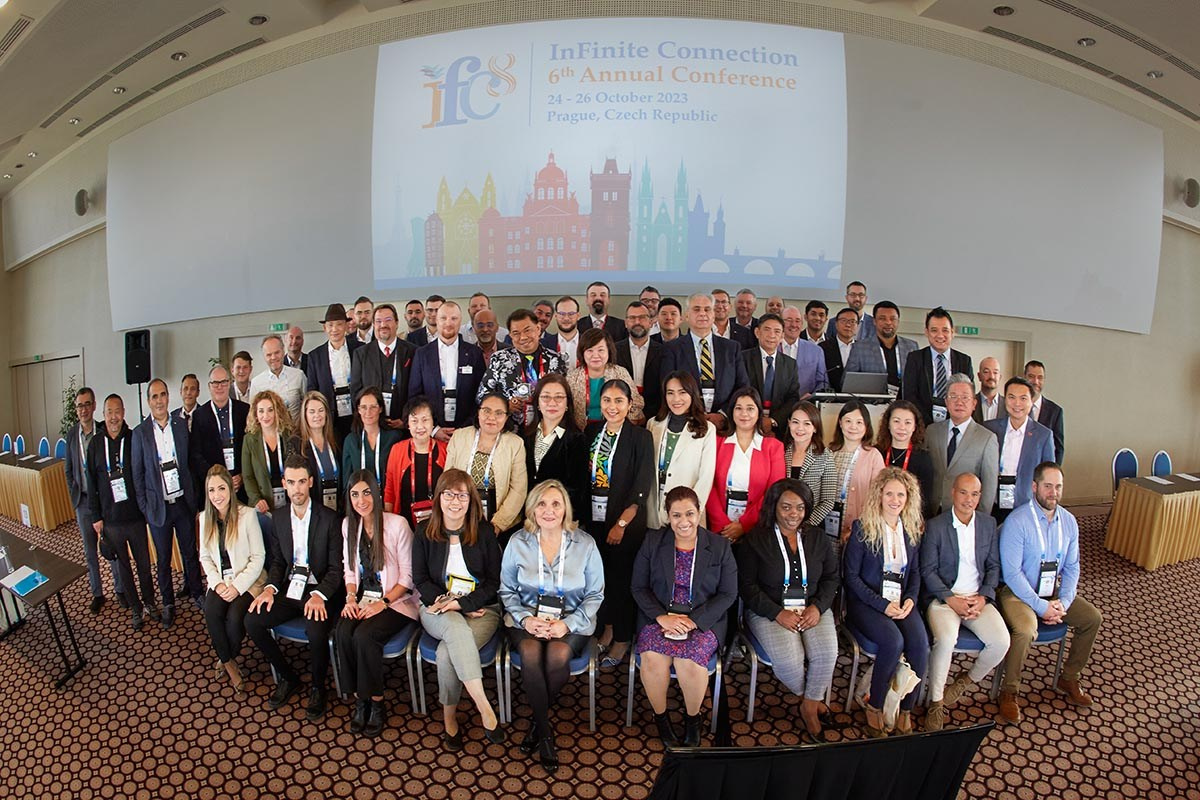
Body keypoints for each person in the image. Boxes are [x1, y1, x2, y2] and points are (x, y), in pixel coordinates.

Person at [499, 480, 604, 769]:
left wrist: (567, 625)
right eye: (542, 504)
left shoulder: (585, 544)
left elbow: (596, 594)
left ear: (565, 509)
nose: (548, 510)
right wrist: (526, 619)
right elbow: (506, 590)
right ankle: (546, 735)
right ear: (532, 509)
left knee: (557, 655)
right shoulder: (517, 542)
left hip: (572, 619)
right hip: (526, 618)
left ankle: (536, 723)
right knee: (532, 654)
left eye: (556, 503)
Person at [996, 463, 1101, 724]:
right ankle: (1009, 692)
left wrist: (1063, 603)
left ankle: (1069, 678)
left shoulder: (1069, 522)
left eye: (1058, 487)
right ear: (1034, 487)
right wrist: (1041, 607)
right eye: (1047, 486)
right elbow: (1011, 574)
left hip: (1052, 592)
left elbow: (1073, 567)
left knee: (1092, 619)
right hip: (1018, 593)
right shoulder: (1018, 521)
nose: (1053, 492)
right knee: (1026, 629)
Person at [632, 485, 737, 746]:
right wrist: (661, 617)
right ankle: (662, 719)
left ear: (699, 512)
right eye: (676, 515)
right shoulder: (653, 542)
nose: (684, 521)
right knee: (654, 661)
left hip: (702, 621)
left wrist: (695, 621)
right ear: (668, 516)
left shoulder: (720, 546)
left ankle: (693, 720)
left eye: (689, 513)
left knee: (688, 663)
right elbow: (638, 587)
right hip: (659, 617)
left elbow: (728, 594)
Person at [736, 480, 839, 742]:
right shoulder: (755, 540)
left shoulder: (818, 538)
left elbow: (831, 578)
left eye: (800, 508)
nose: (793, 514)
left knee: (827, 652)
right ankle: (812, 701)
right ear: (774, 507)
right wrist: (777, 613)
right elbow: (747, 586)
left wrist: (818, 607)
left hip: (813, 607)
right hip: (769, 610)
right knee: (790, 661)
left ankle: (808, 706)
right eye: (786, 507)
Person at [245, 454, 345, 720]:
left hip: (323, 590)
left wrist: (319, 594)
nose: (297, 489)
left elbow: (337, 570)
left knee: (315, 629)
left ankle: (317, 687)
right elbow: (278, 562)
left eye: (302, 482)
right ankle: (288, 677)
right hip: (292, 588)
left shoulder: (330, 518)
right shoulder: (278, 519)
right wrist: (269, 589)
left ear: (310, 482)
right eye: (291, 482)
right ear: (284, 484)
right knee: (252, 620)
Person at [411, 470, 506, 749]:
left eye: (462, 495)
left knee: (446, 652)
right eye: (449, 494)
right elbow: (420, 580)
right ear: (438, 498)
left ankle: (449, 717)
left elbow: (494, 582)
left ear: (471, 499)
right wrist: (448, 603)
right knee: (453, 626)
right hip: (436, 607)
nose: (455, 501)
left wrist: (464, 605)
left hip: (482, 610)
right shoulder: (423, 532)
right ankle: (484, 706)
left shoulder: (484, 531)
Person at [920, 473, 1009, 731]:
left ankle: (966, 680)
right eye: (963, 493)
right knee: (946, 640)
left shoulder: (988, 524)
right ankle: (936, 701)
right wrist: (951, 599)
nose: (968, 499)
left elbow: (993, 567)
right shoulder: (936, 525)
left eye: (974, 494)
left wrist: (983, 596)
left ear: (980, 497)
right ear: (953, 493)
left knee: (1001, 642)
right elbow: (928, 571)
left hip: (977, 599)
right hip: (944, 599)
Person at [844, 468, 929, 736]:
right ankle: (875, 705)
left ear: (908, 498)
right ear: (879, 495)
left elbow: (914, 573)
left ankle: (905, 709)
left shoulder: (912, 529)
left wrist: (911, 601)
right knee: (894, 642)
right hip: (866, 603)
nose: (895, 500)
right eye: (889, 493)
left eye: (900, 495)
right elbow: (852, 578)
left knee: (921, 645)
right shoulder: (862, 527)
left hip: (900, 601)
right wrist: (882, 605)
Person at [337, 470, 420, 737]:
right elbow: (350, 571)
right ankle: (360, 698)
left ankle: (375, 703)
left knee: (364, 636)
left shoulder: (397, 524)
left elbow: (408, 578)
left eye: (366, 492)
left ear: (376, 492)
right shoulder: (349, 526)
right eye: (354, 494)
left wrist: (382, 603)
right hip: (365, 599)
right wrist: (350, 598)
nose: (361, 500)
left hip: (398, 602)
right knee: (342, 630)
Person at [585, 379, 656, 669]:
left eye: (618, 401)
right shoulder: (592, 431)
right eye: (607, 400)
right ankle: (608, 628)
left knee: (621, 581)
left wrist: (622, 522)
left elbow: (642, 485)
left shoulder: (640, 437)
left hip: (625, 523)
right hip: (594, 518)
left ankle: (624, 637)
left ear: (629, 405)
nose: (612, 407)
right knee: (599, 580)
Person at [132, 378, 205, 627]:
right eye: (154, 396)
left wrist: (194, 500)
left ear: (168, 397)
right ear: (148, 401)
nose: (160, 400)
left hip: (182, 503)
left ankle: (197, 592)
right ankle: (168, 603)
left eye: (163, 395)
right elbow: (137, 475)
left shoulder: (181, 425)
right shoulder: (140, 433)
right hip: (158, 508)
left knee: (189, 552)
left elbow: (190, 464)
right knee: (163, 559)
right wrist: (145, 508)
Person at [87, 393, 158, 629]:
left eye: (117, 411)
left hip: (136, 516)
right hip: (111, 519)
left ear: (123, 412)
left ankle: (150, 602)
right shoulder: (96, 444)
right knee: (124, 568)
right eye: (109, 412)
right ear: (103, 414)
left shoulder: (134, 437)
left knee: (144, 565)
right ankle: (136, 609)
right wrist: (96, 516)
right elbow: (91, 483)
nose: (114, 417)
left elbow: (145, 472)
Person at [198, 465, 266, 698]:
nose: (217, 495)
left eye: (221, 488)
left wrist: (237, 587)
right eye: (212, 490)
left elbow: (259, 558)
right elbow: (205, 557)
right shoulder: (203, 519)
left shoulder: (247, 515)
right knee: (211, 610)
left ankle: (225, 654)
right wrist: (217, 584)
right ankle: (229, 663)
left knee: (236, 618)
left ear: (230, 489)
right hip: (220, 581)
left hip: (248, 580)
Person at [65, 386, 122, 613]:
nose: (84, 409)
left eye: (87, 404)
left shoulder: (103, 431)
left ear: (94, 406)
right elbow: (68, 470)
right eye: (80, 405)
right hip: (84, 503)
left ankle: (120, 589)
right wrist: (75, 495)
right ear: (76, 409)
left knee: (111, 547)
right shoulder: (71, 435)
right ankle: (97, 593)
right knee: (90, 552)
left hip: (105, 502)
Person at [705, 387, 786, 542]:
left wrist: (744, 525)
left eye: (750, 408)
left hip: (757, 528)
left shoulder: (773, 447)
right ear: (731, 412)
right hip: (720, 528)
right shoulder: (716, 443)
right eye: (738, 408)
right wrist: (722, 524)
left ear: (758, 413)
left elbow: (774, 492)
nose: (744, 414)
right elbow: (708, 485)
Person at [446, 392, 528, 537]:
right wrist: (455, 515)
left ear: (506, 417)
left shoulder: (515, 444)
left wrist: (498, 524)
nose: (492, 418)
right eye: (486, 411)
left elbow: (518, 489)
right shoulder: (459, 436)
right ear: (478, 412)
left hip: (499, 519)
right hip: (460, 513)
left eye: (499, 413)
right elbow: (447, 480)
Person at [661, 292, 750, 423]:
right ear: (686, 316)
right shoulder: (672, 349)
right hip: (686, 421)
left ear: (713, 315)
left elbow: (742, 386)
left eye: (707, 309)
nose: (702, 313)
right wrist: (694, 415)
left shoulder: (731, 348)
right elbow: (666, 388)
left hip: (724, 423)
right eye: (696, 309)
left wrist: (723, 414)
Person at [408, 300, 486, 442]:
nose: (448, 323)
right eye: (443, 318)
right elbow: (415, 396)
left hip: (467, 432)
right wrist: (434, 429)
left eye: (454, 318)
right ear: (436, 320)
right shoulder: (422, 354)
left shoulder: (474, 353)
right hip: (432, 433)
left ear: (460, 321)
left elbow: (481, 395)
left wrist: (466, 428)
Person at [476, 309, 568, 429]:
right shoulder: (499, 359)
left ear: (538, 329)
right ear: (510, 335)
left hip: (548, 428)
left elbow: (566, 396)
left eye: (527, 330)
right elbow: (482, 396)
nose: (523, 337)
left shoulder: (556, 360)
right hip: (510, 430)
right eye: (516, 333)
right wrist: (504, 405)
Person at [647, 372, 717, 530]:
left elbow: (705, 477)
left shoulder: (707, 429)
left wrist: (688, 512)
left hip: (687, 517)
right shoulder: (653, 424)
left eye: (682, 392)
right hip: (654, 511)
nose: (676, 399)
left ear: (692, 393)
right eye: (670, 393)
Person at [984, 378, 1055, 521]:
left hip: (1026, 505)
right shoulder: (989, 429)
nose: (1017, 404)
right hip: (992, 503)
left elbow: (1048, 476)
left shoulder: (1043, 435)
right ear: (1005, 400)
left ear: (1031, 401)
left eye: (1023, 398)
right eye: (1011, 397)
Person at [927, 375, 999, 515]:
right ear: (946, 403)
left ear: (974, 404)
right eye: (953, 397)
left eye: (965, 397)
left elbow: (989, 486)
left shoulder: (987, 438)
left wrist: (979, 519)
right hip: (932, 512)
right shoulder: (931, 432)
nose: (959, 402)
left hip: (965, 515)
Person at [523, 373, 588, 514]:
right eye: (545, 397)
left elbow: (577, 489)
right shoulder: (524, 437)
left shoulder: (577, 439)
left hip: (557, 517)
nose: (552, 403)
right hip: (525, 516)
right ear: (538, 403)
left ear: (567, 404)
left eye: (559, 397)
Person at [350, 303, 417, 430]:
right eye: (378, 321)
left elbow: (417, 392)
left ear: (397, 323)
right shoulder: (361, 354)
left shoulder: (412, 352)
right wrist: (370, 418)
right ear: (374, 324)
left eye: (388, 320)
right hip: (372, 427)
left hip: (403, 427)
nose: (383, 325)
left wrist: (406, 420)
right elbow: (356, 392)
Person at [243, 390, 297, 545]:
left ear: (277, 411)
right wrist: (256, 499)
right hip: (263, 503)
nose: (265, 416)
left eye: (270, 410)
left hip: (289, 499)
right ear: (255, 414)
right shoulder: (250, 440)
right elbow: (247, 475)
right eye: (261, 411)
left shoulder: (288, 435)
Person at [903, 307, 973, 425]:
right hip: (922, 423)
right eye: (934, 330)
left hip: (954, 422)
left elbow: (968, 397)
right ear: (927, 332)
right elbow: (910, 396)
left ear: (952, 332)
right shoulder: (915, 358)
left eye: (945, 330)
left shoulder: (964, 361)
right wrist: (929, 424)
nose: (940, 336)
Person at [383, 397, 446, 528]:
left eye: (425, 420)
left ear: (433, 423)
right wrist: (389, 521)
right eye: (414, 421)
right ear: (408, 424)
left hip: (439, 524)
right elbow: (389, 489)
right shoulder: (397, 450)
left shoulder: (446, 450)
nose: (420, 426)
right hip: (404, 524)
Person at [828, 399, 886, 542]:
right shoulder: (829, 453)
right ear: (840, 423)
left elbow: (878, 497)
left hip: (860, 527)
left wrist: (860, 527)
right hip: (829, 524)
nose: (853, 426)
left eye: (859, 422)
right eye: (848, 421)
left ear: (866, 426)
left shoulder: (873, 455)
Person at [191, 364, 250, 502]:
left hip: (241, 487)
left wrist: (242, 475)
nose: (219, 387)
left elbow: (251, 450)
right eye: (215, 383)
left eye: (223, 382)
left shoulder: (244, 410)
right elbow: (196, 454)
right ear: (209, 386)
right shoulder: (199, 415)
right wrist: (217, 480)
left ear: (229, 383)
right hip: (215, 490)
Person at [306, 303, 362, 444]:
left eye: (339, 324)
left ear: (346, 326)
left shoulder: (360, 350)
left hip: (357, 411)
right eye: (330, 325)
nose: (335, 329)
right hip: (329, 414)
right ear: (324, 328)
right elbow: (312, 389)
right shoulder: (315, 356)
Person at [566, 328, 644, 428]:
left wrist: (621, 426)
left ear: (609, 351)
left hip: (614, 429)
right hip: (580, 431)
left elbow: (636, 404)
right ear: (582, 352)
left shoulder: (620, 373)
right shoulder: (572, 377)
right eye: (590, 350)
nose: (595, 355)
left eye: (601, 350)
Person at [876, 400, 937, 519]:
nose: (902, 427)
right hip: (877, 518)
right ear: (888, 424)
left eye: (908, 422)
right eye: (896, 421)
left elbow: (925, 499)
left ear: (915, 427)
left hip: (909, 520)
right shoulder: (876, 453)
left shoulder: (923, 458)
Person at [844, 301, 920, 396]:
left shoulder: (911, 347)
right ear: (874, 321)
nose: (888, 323)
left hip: (904, 404)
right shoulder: (860, 348)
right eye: (882, 318)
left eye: (893, 319)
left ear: (898, 321)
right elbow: (847, 383)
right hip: (872, 404)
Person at [741, 313, 799, 436]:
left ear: (782, 336)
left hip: (778, 428)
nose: (772, 335)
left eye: (777, 331)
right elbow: (739, 391)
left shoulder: (790, 364)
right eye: (767, 330)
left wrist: (773, 420)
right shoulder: (742, 358)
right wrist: (755, 419)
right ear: (757, 332)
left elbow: (793, 397)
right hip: (746, 424)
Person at [782, 400, 835, 529]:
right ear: (789, 423)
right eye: (795, 422)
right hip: (782, 523)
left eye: (807, 423)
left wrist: (803, 525)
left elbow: (828, 501)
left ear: (815, 427)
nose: (800, 428)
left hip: (810, 526)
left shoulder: (825, 455)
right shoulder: (781, 452)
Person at [342, 387, 402, 500]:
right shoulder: (351, 441)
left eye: (373, 407)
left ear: (380, 409)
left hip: (389, 502)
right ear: (358, 410)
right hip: (361, 503)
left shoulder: (394, 438)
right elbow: (347, 483)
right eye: (363, 407)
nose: (368, 412)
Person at [614, 301, 664, 420]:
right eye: (632, 318)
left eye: (642, 317)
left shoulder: (663, 351)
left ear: (651, 322)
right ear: (626, 323)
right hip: (622, 415)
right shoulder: (614, 350)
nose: (637, 322)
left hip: (655, 416)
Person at [298, 391, 341, 513]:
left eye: (321, 410)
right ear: (305, 415)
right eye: (312, 412)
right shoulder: (297, 443)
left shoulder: (336, 438)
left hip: (337, 508)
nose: (317, 415)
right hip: (312, 510)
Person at [250, 335, 307, 425]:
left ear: (283, 351)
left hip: (296, 434)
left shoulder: (298, 375)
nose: (273, 357)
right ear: (264, 356)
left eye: (277, 352)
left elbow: (307, 406)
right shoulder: (256, 383)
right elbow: (253, 416)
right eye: (269, 355)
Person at [778, 306, 828, 398]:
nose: (793, 325)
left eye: (797, 321)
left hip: (805, 406)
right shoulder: (772, 347)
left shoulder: (816, 351)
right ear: (780, 323)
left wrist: (811, 397)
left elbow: (823, 382)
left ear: (801, 324)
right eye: (789, 320)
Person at [1023, 360, 1065, 465]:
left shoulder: (1055, 411)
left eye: (1040, 377)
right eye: (1031, 376)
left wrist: (1053, 473)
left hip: (1042, 470)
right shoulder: (1014, 407)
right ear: (1024, 378)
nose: (1035, 381)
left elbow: (1058, 449)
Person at [819, 308, 859, 392]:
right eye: (843, 321)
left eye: (852, 322)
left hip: (858, 398)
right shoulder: (823, 348)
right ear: (836, 324)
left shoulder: (864, 349)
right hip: (830, 399)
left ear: (857, 326)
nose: (848, 325)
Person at [542, 296, 582, 368]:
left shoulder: (590, 343)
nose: (566, 318)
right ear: (556, 316)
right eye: (562, 314)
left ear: (578, 316)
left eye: (571, 313)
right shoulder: (543, 345)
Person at [973, 357, 1003, 423]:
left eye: (995, 372)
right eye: (986, 372)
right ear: (979, 376)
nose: (991, 376)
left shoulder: (1008, 404)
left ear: (1000, 377)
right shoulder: (970, 402)